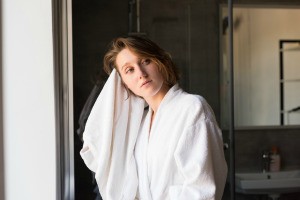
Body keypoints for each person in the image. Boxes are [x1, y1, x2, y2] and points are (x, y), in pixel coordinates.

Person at [80, 35, 227, 200]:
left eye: (145, 61)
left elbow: (202, 189)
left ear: (161, 62)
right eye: (130, 70)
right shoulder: (140, 123)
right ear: (124, 84)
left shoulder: (192, 108)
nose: (141, 73)